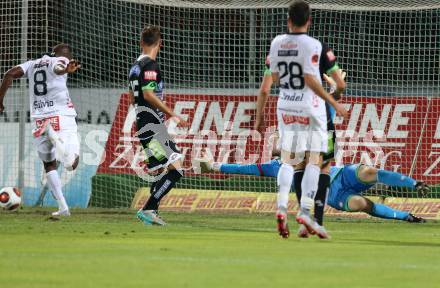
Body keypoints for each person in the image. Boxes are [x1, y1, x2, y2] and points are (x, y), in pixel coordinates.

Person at [267, 0, 347, 237]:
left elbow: (276, 78)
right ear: (309, 20)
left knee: (288, 160)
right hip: (310, 107)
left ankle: (281, 207)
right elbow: (317, 80)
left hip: (285, 104)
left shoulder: (276, 42)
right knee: (315, 159)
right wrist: (334, 98)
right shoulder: (315, 45)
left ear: (288, 20)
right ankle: (304, 211)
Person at [198, 156, 428, 238]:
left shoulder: (308, 138)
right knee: (362, 204)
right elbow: (243, 168)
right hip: (333, 194)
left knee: (369, 171)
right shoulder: (277, 166)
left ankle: (414, 183)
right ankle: (407, 217)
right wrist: (214, 167)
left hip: (341, 174)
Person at [0, 43, 81, 216]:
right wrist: (66, 69)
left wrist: (0, 100)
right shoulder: (59, 60)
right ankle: (54, 137)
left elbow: (9, 75)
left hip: (38, 118)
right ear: (62, 56)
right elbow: (59, 68)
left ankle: (63, 207)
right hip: (61, 115)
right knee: (71, 164)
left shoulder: (31, 64)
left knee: (49, 164)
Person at [128, 26, 189, 226]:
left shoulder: (135, 67)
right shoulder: (151, 65)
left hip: (144, 123)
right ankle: (149, 209)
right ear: (160, 43)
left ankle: (151, 211)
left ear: (141, 42)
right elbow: (148, 94)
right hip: (152, 126)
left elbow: (132, 99)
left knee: (167, 168)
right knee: (177, 169)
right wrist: (173, 114)